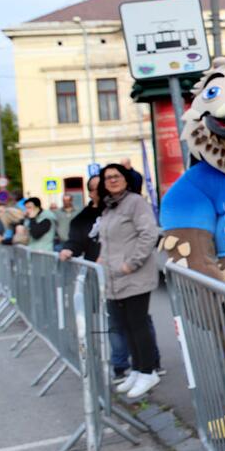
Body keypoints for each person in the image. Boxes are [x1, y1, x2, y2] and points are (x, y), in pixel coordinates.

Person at [97, 163, 162, 399]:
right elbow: (108, 239)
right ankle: (136, 369)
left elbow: (149, 233)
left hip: (135, 275)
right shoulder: (109, 208)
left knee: (138, 324)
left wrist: (132, 263)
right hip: (114, 278)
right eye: (107, 178)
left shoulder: (135, 202)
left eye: (116, 176)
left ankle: (148, 370)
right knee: (126, 326)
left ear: (125, 179)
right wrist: (103, 258)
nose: (112, 180)